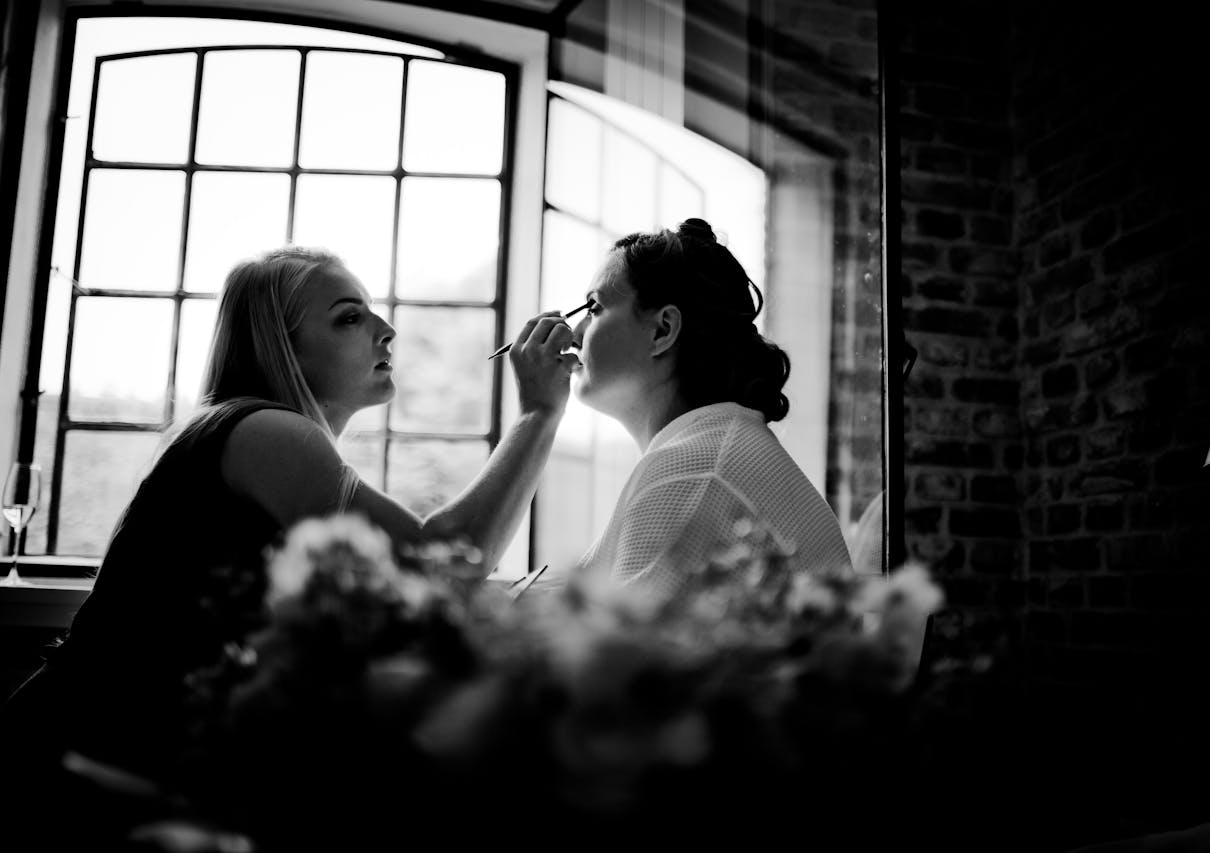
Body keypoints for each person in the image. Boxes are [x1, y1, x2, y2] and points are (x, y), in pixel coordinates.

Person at [0, 246, 578, 789]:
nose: (387, 330)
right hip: (76, 759)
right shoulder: (266, 430)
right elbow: (442, 562)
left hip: (121, 751)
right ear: (282, 346)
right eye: (350, 318)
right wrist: (539, 412)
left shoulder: (249, 432)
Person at [558, 218, 854, 597]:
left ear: (662, 330)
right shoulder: (714, 450)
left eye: (593, 307)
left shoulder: (694, 472)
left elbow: (615, 652)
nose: (575, 332)